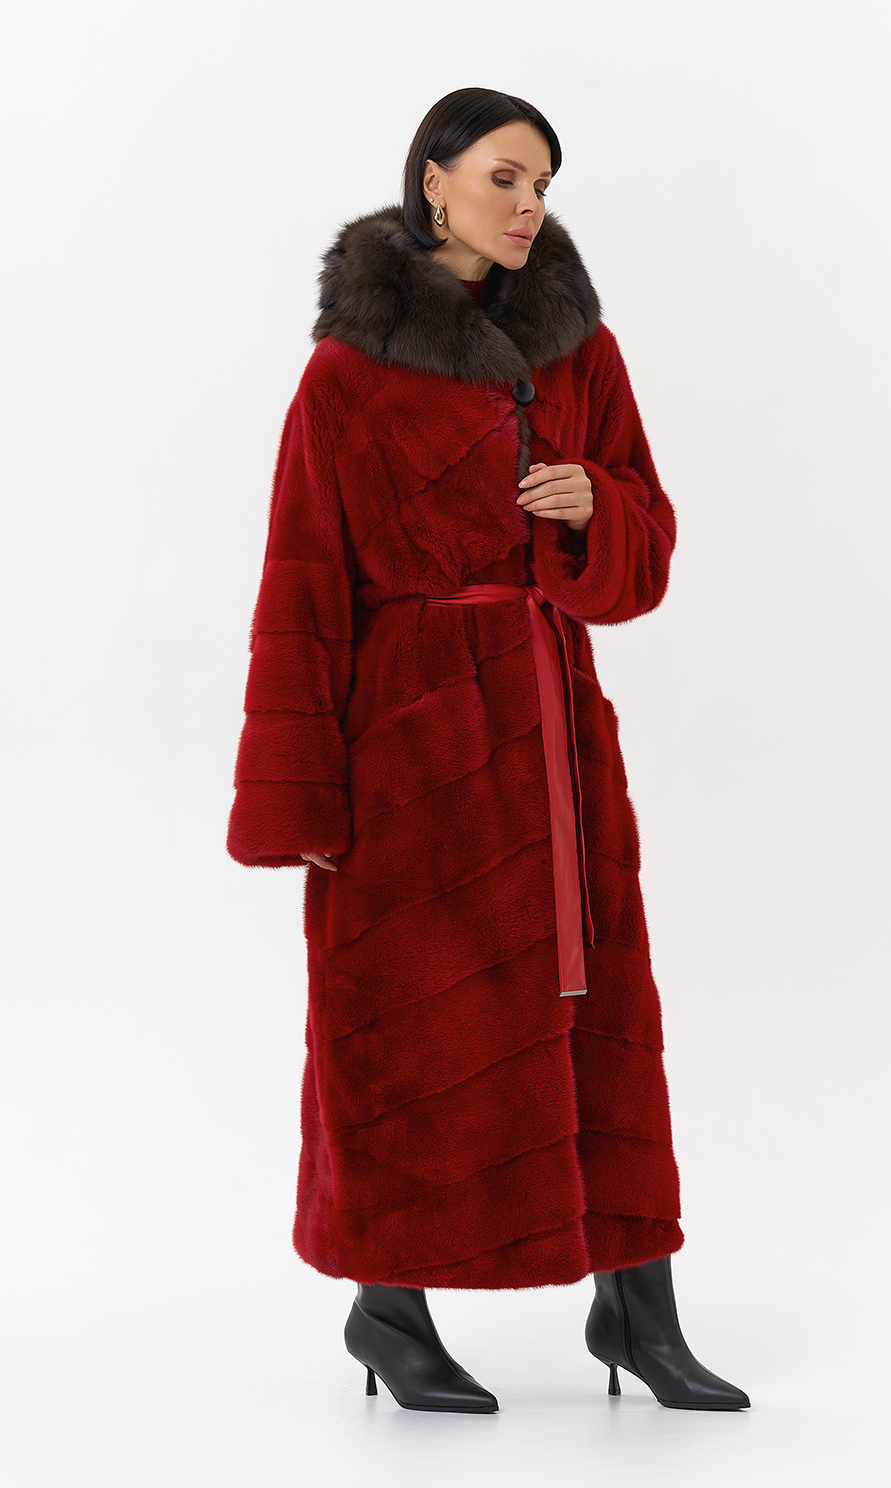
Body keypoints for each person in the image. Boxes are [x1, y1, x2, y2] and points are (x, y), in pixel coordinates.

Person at [227, 87, 749, 1416]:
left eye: (544, 184)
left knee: (599, 1013)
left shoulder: (580, 352)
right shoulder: (347, 374)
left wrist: (595, 511)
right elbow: (302, 583)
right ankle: (388, 1313)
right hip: (408, 748)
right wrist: (300, 801)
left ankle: (637, 1312)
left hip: (555, 726)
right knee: (405, 1026)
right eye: (506, 177)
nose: (528, 204)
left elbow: (648, 549)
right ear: (435, 181)